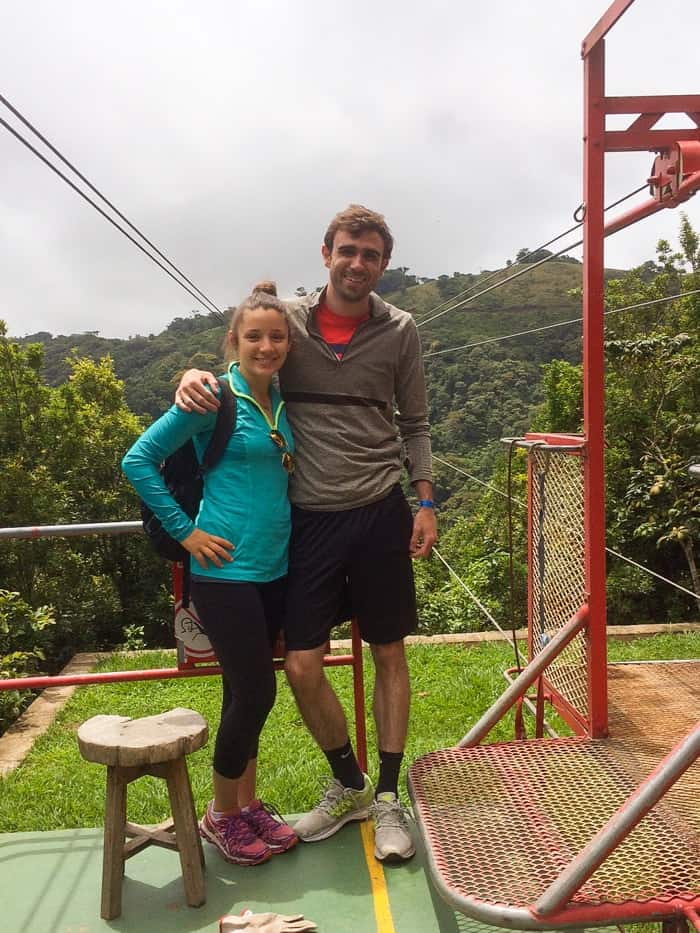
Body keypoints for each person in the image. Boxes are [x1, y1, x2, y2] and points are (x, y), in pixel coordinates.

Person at [175, 205, 438, 863]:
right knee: (299, 665)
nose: (358, 263)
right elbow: (241, 356)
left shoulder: (400, 328)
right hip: (310, 520)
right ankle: (347, 781)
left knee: (388, 653)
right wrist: (191, 376)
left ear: (383, 265)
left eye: (371, 255)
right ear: (325, 253)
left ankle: (385, 795)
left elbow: (416, 422)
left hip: (381, 509)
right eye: (347, 250)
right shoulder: (286, 323)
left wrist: (426, 499)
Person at [122, 283, 299, 866]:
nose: (266, 346)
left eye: (277, 336)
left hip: (273, 569)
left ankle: (246, 805)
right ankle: (221, 815)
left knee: (242, 695)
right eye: (255, 336)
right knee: (257, 691)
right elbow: (138, 460)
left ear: (288, 343)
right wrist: (184, 531)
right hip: (223, 572)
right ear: (234, 341)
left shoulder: (283, 400)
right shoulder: (210, 398)